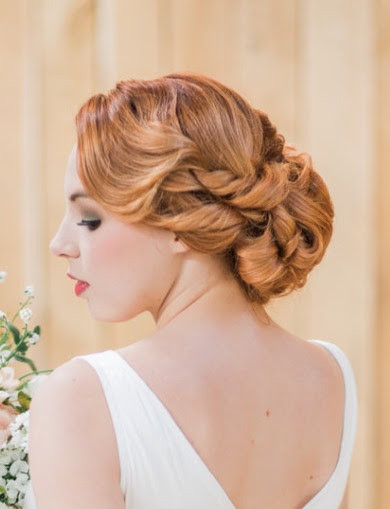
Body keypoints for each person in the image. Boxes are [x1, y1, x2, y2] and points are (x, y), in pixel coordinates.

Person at [25, 73, 357, 508]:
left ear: (180, 221)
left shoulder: (80, 399)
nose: (60, 244)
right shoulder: (331, 376)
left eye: (89, 218)